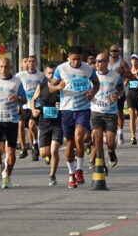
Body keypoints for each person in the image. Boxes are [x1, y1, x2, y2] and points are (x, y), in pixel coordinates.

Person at [50, 46, 99, 186]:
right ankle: (71, 175)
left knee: (79, 136)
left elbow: (96, 83)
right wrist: (58, 87)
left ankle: (79, 169)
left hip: (83, 108)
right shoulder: (61, 69)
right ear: (68, 58)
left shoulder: (88, 69)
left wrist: (92, 92)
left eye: (78, 59)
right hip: (66, 110)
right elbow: (51, 86)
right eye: (73, 59)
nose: (76, 62)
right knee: (69, 143)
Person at [0, 58, 26, 189]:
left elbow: (24, 99)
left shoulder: (17, 81)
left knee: (11, 152)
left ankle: (7, 175)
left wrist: (18, 98)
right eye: (1, 67)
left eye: (6, 67)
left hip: (12, 119)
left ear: (10, 68)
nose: (3, 69)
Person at [89, 52, 124, 171]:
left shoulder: (115, 76)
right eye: (96, 61)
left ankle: (111, 151)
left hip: (110, 113)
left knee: (110, 141)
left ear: (107, 63)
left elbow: (121, 89)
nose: (97, 64)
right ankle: (101, 163)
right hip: (96, 111)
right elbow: (86, 90)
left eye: (100, 61)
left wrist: (117, 95)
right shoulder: (91, 76)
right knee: (97, 140)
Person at [29, 64, 62, 186]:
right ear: (45, 74)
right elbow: (32, 100)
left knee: (54, 151)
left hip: (57, 123)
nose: (52, 75)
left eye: (54, 73)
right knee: (44, 153)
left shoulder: (62, 87)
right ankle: (43, 154)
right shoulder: (42, 86)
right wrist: (33, 110)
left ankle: (52, 175)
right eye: (49, 73)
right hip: (44, 123)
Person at [16, 56, 45, 161]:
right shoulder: (20, 75)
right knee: (20, 125)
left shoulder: (41, 75)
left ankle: (34, 145)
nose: (31, 63)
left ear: (36, 63)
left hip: (36, 105)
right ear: (26, 63)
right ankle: (23, 148)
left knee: (31, 125)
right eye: (29, 61)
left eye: (33, 61)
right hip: (24, 105)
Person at [108, 45, 131, 145]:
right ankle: (109, 132)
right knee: (108, 112)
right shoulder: (106, 62)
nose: (113, 53)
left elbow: (129, 74)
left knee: (119, 112)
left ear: (119, 52)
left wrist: (124, 76)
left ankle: (120, 131)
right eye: (112, 51)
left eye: (115, 51)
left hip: (119, 90)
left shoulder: (122, 63)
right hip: (107, 90)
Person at [125, 55, 138, 145]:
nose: (134, 61)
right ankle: (133, 136)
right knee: (132, 116)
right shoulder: (128, 72)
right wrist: (126, 80)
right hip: (130, 95)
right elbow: (125, 83)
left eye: (136, 59)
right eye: (132, 59)